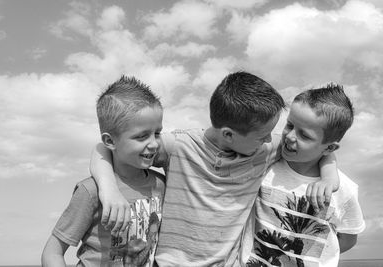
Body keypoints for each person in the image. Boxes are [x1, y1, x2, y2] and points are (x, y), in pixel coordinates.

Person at [90, 71, 339, 266]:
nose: (270, 140)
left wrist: (329, 176)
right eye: (262, 135)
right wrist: (108, 190)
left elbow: (323, 150)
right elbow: (103, 149)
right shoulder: (179, 147)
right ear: (229, 134)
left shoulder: (263, 150)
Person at [41, 76, 165, 267]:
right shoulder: (90, 191)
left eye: (157, 133)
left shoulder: (161, 185)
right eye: (142, 136)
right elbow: (52, 253)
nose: (154, 143)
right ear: (110, 141)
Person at [242, 84, 365, 267]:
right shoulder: (267, 163)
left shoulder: (344, 189)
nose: (290, 136)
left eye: (304, 136)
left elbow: (348, 238)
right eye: (289, 125)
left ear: (329, 148)